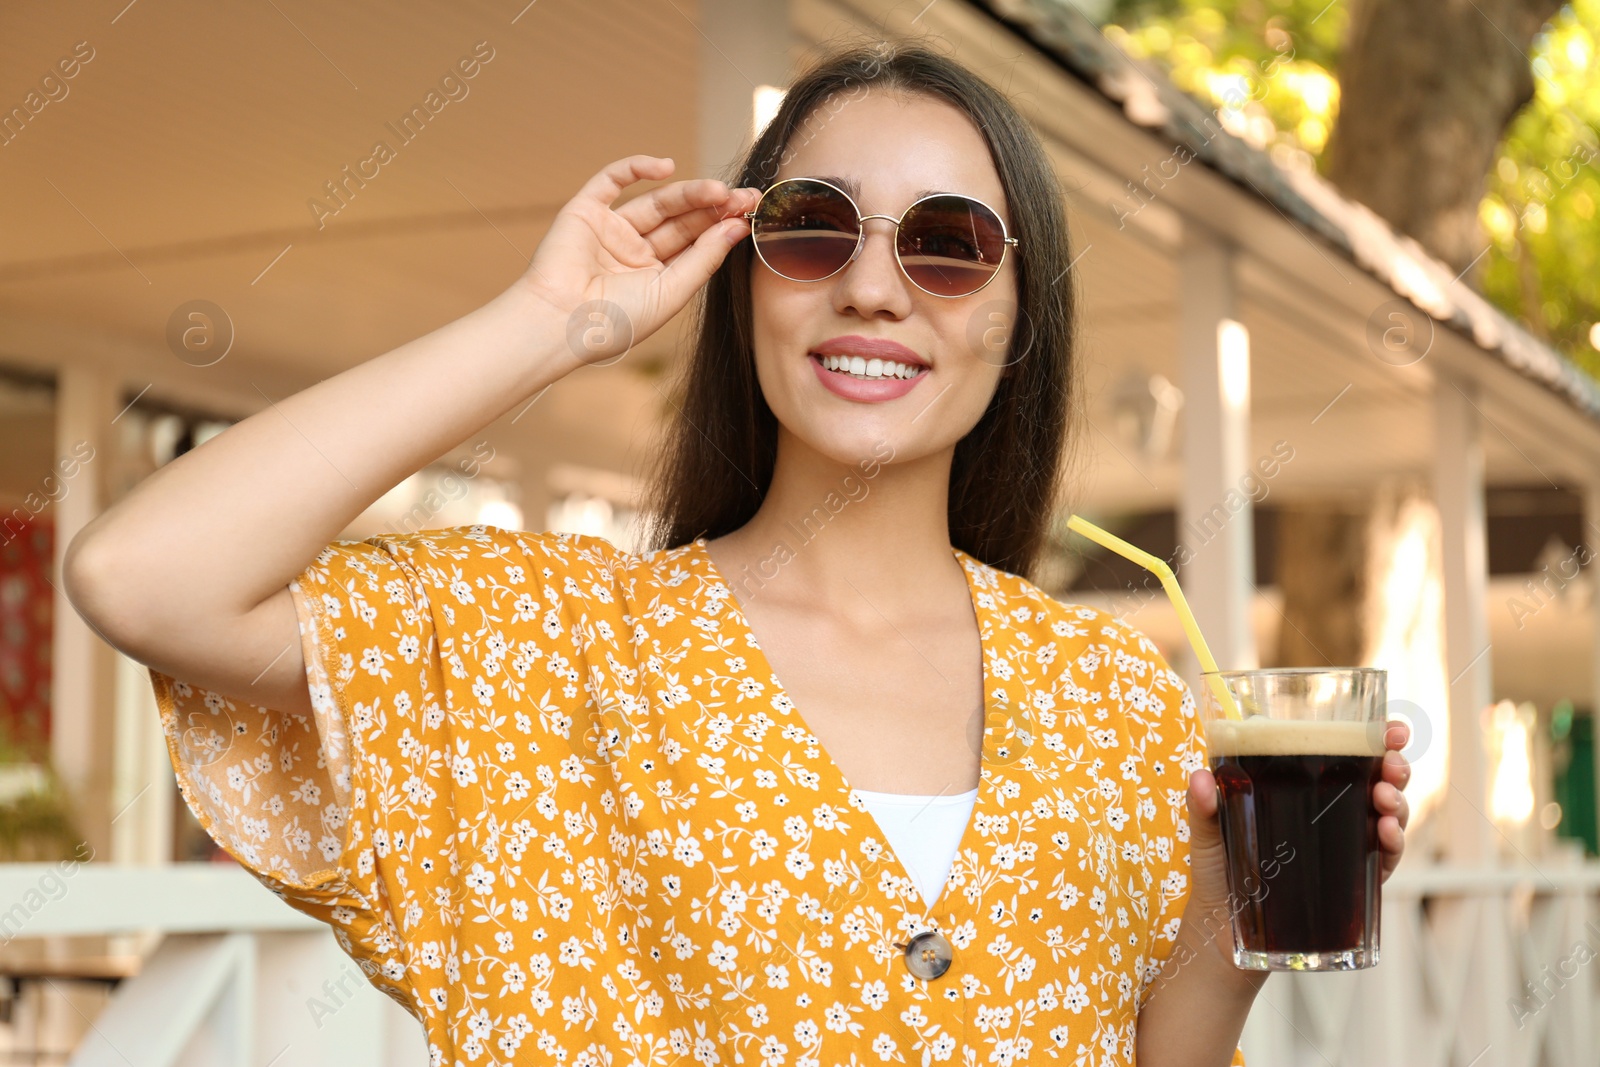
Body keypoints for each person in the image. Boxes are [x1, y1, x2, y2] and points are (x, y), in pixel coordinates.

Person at [63, 41, 1411, 1067]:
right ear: (743, 277)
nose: (872, 285)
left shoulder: (1120, 702)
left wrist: (1245, 899)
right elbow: (145, 575)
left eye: (948, 246)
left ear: (1019, 323)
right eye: (813, 225)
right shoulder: (558, 645)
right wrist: (551, 325)